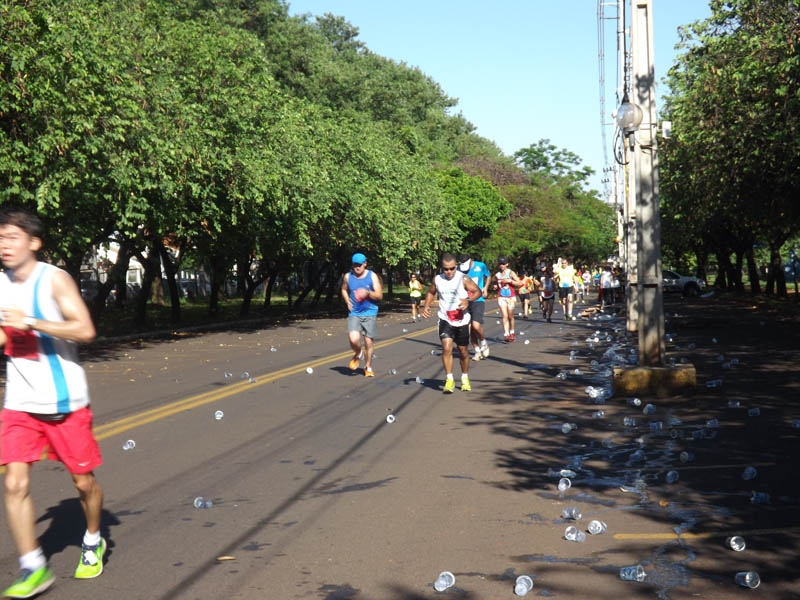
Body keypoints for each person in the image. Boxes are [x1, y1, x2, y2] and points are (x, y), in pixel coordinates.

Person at [0, 207, 106, 598]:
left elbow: (85, 329)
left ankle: (93, 538)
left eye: (12, 236)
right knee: (13, 485)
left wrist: (32, 322)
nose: (4, 245)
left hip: (64, 401)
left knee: (83, 482)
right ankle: (33, 567)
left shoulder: (54, 280)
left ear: (34, 242)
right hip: (20, 402)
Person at [421, 254, 481, 393]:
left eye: (452, 268)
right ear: (442, 268)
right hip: (445, 318)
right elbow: (430, 292)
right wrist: (426, 307)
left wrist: (468, 300)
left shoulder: (463, 278)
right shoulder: (438, 279)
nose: (449, 272)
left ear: (456, 266)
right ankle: (449, 379)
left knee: (463, 351)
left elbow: (477, 291)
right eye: (446, 269)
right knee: (447, 348)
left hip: (462, 320)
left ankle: (465, 377)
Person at [341, 252, 383, 377]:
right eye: (355, 265)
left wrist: (368, 293)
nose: (357, 268)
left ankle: (368, 366)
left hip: (370, 312)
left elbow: (380, 295)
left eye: (359, 265)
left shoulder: (372, 276)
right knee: (353, 339)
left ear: (365, 264)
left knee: (368, 342)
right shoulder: (348, 277)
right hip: (354, 312)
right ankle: (358, 353)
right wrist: (347, 300)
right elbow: (343, 289)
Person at [456, 253, 491, 361]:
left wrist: (485, 288)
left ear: (470, 261)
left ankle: (484, 342)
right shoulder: (458, 269)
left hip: (477, 299)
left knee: (476, 326)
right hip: (464, 301)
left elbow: (488, 276)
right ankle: (477, 351)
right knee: (468, 329)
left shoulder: (480, 266)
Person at [493, 257, 521, 342]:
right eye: (500, 264)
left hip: (511, 297)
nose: (502, 265)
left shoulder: (511, 273)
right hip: (501, 297)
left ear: (507, 264)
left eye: (503, 264)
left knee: (510, 316)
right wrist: (495, 287)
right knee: (504, 316)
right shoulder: (497, 275)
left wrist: (510, 281)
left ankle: (512, 332)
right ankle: (506, 334)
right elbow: (496, 284)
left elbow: (519, 283)